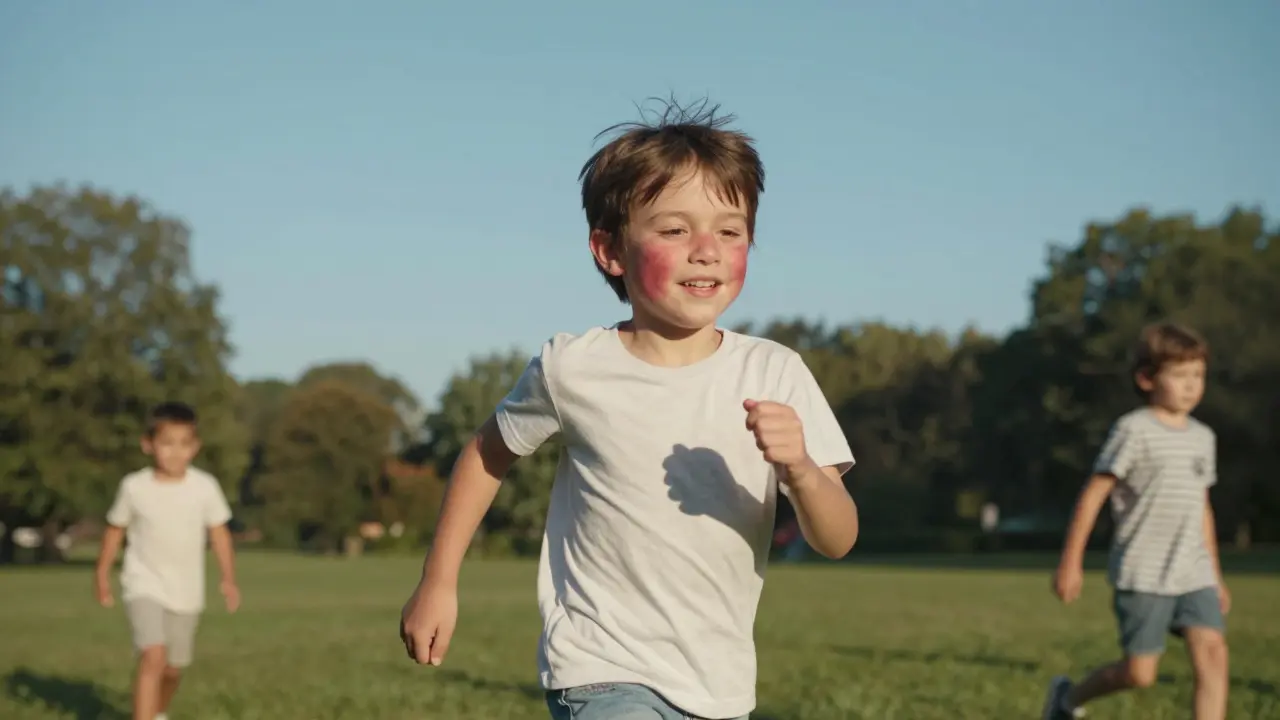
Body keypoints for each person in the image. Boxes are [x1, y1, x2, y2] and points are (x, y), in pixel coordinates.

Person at [399, 98, 859, 720]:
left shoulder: (775, 372)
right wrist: (438, 581)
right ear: (610, 250)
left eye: (729, 230)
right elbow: (487, 453)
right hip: (600, 668)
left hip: (720, 687)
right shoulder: (572, 367)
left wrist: (801, 469)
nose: (706, 249)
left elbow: (837, 539)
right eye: (674, 230)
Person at [1042, 322, 1231, 720]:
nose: (1191, 385)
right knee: (1140, 673)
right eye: (1179, 375)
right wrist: (1070, 562)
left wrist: (1215, 575)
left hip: (1193, 571)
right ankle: (1067, 699)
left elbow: (1202, 507)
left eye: (1198, 375)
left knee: (1213, 654)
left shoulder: (1203, 437)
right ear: (1146, 379)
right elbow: (1093, 495)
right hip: (1144, 571)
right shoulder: (1134, 430)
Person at [95, 401, 241, 720]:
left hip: (186, 591)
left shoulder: (204, 487)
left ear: (196, 447)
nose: (176, 452)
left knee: (173, 668)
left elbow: (219, 534)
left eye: (184, 444)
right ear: (148, 445)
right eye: (167, 443)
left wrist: (228, 579)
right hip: (143, 582)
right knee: (153, 655)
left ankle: (158, 711)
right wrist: (102, 574)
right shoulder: (134, 487)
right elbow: (115, 530)